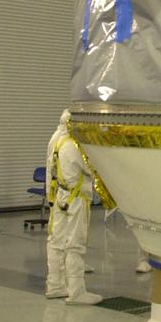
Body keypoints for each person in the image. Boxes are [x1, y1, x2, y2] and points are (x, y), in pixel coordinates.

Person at [45, 112, 102, 304]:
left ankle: (54, 285)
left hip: (60, 195)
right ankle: (77, 292)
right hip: (76, 198)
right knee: (75, 244)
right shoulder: (73, 145)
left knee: (56, 241)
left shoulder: (57, 140)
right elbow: (94, 167)